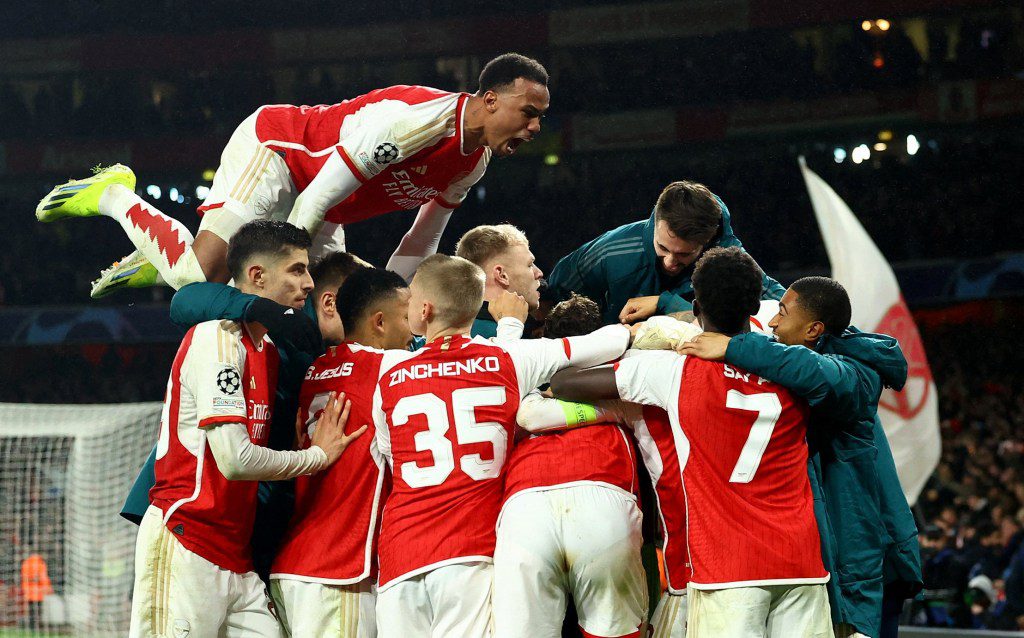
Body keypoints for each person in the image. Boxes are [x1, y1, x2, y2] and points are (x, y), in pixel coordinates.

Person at [36, 53, 549, 297]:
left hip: (321, 201)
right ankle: (113, 196)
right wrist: (285, 273)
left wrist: (403, 300)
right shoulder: (415, 123)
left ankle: (160, 256)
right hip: (280, 154)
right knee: (200, 279)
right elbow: (314, 199)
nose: (534, 127)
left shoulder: (473, 160)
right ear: (489, 99)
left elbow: (421, 240)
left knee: (347, 298)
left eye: (540, 118)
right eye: (527, 112)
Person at [550, 247, 832, 638]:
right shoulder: (794, 366)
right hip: (802, 563)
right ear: (757, 308)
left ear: (696, 305)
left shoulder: (672, 370)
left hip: (727, 569)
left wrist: (633, 341)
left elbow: (565, 383)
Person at [370, 254, 633, 637]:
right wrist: (635, 333)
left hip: (401, 553)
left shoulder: (389, 376)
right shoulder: (507, 358)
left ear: (424, 309)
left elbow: (392, 458)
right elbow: (603, 343)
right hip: (470, 553)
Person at [127, 221, 364, 638]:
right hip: (189, 538)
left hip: (238, 553)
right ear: (257, 276)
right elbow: (235, 460)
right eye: (296, 270)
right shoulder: (217, 341)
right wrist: (317, 457)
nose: (307, 282)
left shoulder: (269, 351)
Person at [679, 276, 922, 638]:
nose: (773, 322)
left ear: (814, 329)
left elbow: (817, 374)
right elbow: (753, 282)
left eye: (782, 313)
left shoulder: (857, 376)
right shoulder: (811, 354)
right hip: (837, 558)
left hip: (863, 567)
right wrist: (669, 302)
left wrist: (734, 346)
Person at [270, 267, 414, 638]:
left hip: (298, 561)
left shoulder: (319, 366)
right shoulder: (392, 367)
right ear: (379, 322)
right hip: (338, 569)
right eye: (406, 317)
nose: (414, 329)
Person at [493, 293, 648, 638]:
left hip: (525, 506)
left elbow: (529, 414)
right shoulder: (627, 374)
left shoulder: (520, 380)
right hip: (602, 494)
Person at [545, 180, 784, 325]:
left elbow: (784, 309)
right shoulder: (612, 251)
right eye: (662, 247)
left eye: (684, 255)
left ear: (706, 243)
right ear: (656, 225)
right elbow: (555, 295)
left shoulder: (727, 258)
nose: (670, 262)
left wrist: (665, 304)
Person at [455, 223, 543, 338]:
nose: (539, 273)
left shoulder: (442, 333)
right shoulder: (515, 340)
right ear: (502, 275)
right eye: (530, 265)